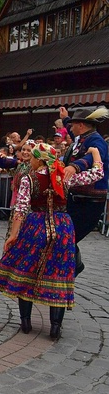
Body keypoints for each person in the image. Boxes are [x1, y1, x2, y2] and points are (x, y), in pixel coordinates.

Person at [0, 144, 103, 340]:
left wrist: (13, 235)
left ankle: (26, 321)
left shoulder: (29, 179)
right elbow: (96, 174)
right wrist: (95, 153)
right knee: (59, 272)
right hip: (62, 227)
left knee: (28, 270)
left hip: (36, 226)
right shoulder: (64, 175)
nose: (29, 161)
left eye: (32, 159)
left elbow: (21, 210)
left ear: (39, 160)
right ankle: (55, 326)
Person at [59, 106, 109, 276]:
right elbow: (74, 136)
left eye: (72, 124)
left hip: (90, 203)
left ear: (81, 125)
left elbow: (93, 157)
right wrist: (66, 119)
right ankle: (70, 268)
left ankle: (74, 267)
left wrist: (75, 166)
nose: (70, 128)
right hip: (76, 198)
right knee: (64, 237)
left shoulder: (97, 142)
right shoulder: (82, 138)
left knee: (68, 238)